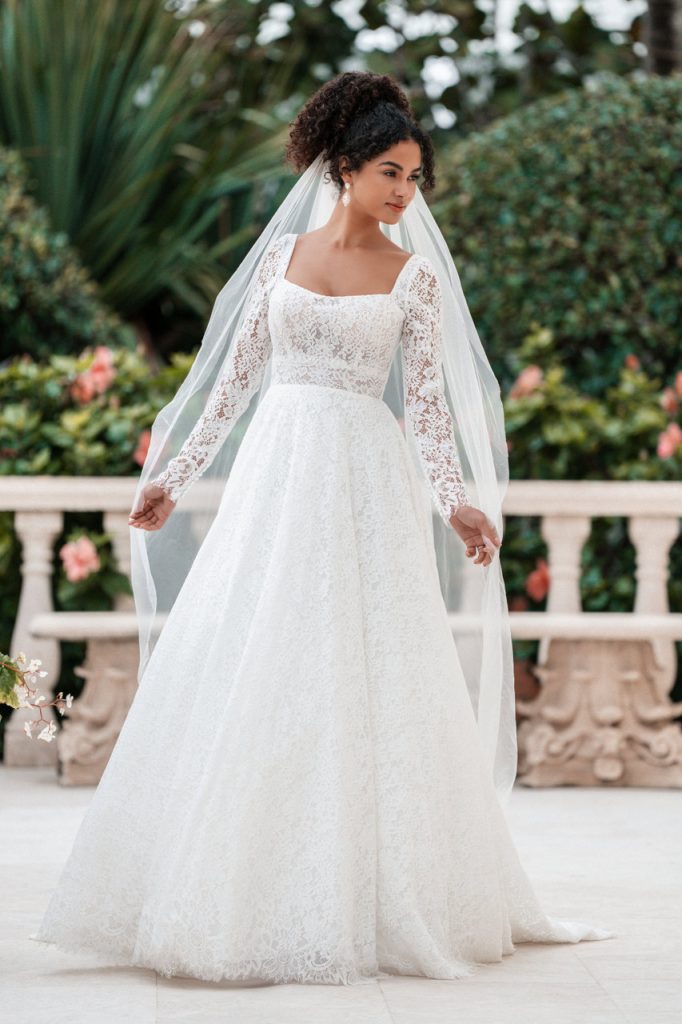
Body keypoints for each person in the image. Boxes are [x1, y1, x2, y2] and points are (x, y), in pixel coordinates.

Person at [31, 72, 614, 985]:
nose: (404, 192)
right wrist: (173, 477)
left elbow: (426, 410)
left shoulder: (413, 277)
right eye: (390, 171)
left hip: (366, 479)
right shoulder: (282, 259)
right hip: (280, 470)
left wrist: (456, 496)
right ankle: (226, 876)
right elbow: (230, 384)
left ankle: (378, 886)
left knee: (367, 660)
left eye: (416, 177)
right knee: (257, 649)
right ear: (343, 167)